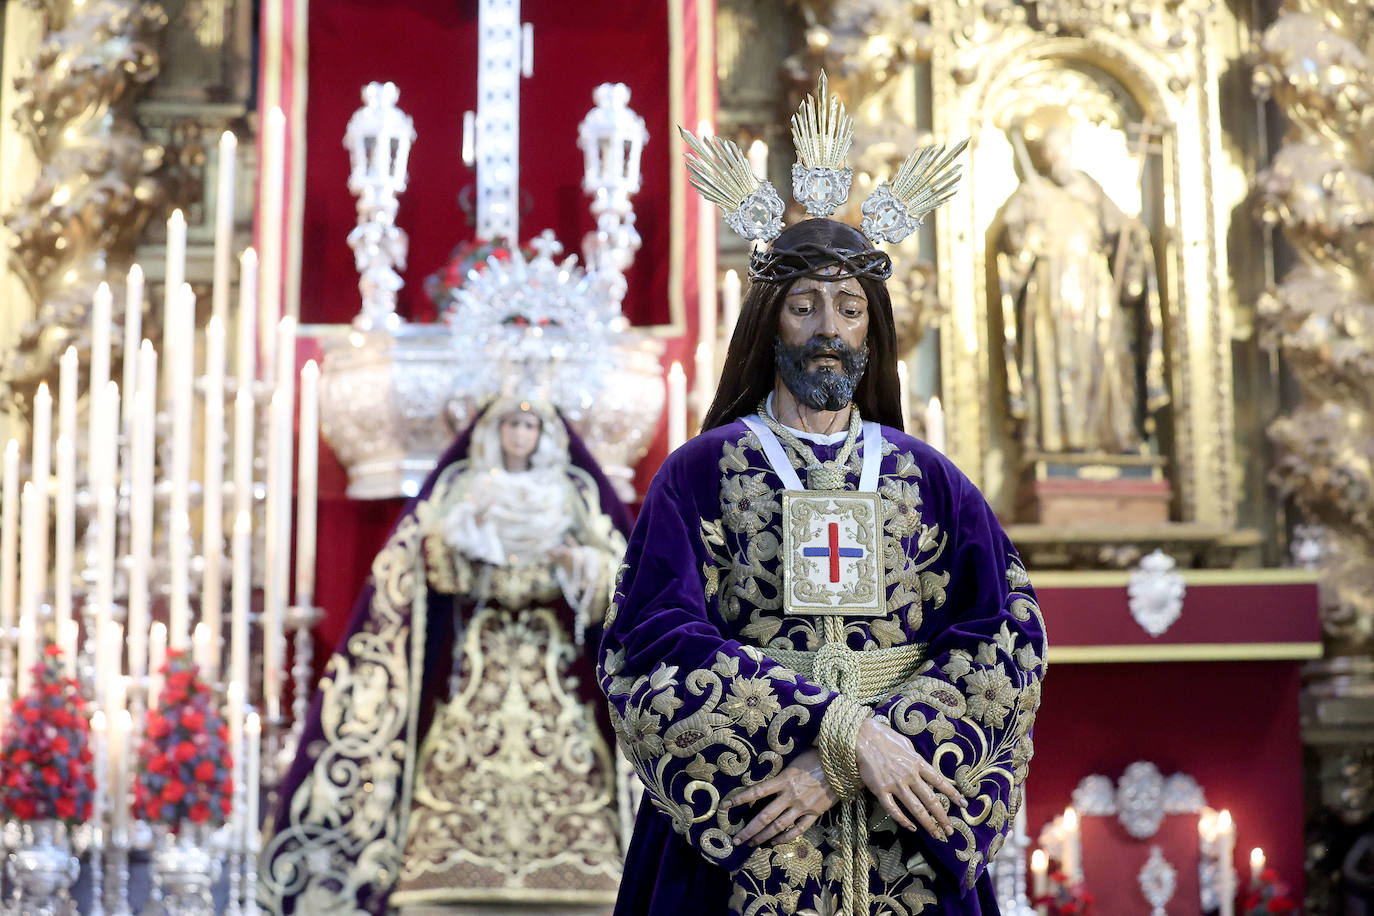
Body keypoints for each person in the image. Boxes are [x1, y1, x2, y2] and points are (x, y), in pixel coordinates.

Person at [598, 213, 1047, 913]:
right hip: (759, 812)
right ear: (769, 325)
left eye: (850, 309)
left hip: (900, 816)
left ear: (874, 329)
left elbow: (1005, 637)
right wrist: (844, 735)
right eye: (803, 307)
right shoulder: (699, 473)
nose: (828, 330)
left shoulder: (932, 480)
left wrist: (883, 749)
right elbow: (652, 639)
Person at [259, 398, 631, 916]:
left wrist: (577, 562)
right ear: (495, 431)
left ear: (543, 435)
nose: (520, 435)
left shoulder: (567, 496)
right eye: (512, 424)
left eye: (530, 425)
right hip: (480, 665)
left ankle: (578, 863)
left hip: (549, 666)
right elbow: (433, 572)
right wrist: (457, 543)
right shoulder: (470, 492)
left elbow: (615, 576)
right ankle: (446, 863)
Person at [996, 106, 1168, 455]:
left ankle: (1109, 436)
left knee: (1104, 355)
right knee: (1056, 362)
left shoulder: (1089, 188)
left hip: (1094, 285)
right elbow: (1013, 246)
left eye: (1061, 148)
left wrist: (1131, 234)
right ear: (1042, 156)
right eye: (1049, 150)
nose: (1057, 156)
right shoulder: (1031, 194)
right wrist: (1028, 229)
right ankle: (1057, 440)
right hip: (1050, 287)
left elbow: (1119, 231)